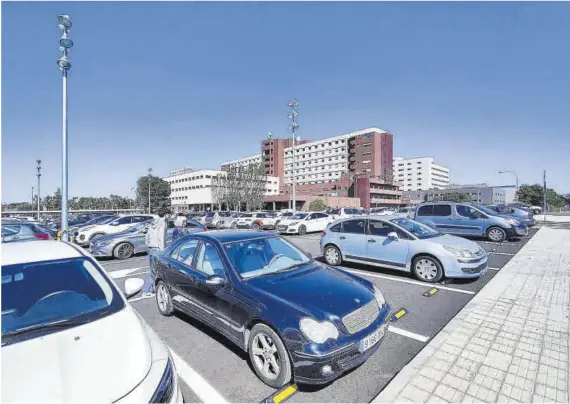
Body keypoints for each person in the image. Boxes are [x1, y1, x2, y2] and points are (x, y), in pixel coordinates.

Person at [142, 208, 168, 296]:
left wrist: (148, 244)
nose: (169, 216)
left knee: (151, 269)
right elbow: (161, 237)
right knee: (155, 270)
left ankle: (150, 290)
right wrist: (163, 251)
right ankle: (146, 291)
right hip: (157, 249)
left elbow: (147, 236)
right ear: (165, 215)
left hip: (150, 248)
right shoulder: (162, 223)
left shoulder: (153, 223)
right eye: (168, 214)